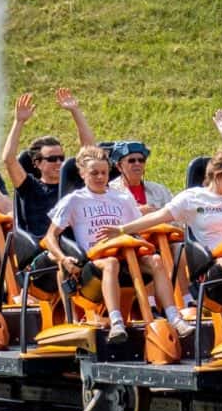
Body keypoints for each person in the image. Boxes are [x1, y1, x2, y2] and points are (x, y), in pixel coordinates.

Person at [123, 138, 222, 332]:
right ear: (218, 174)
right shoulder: (192, 197)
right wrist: (122, 229)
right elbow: (160, 216)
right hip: (213, 262)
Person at [45, 143, 147, 352]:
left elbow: (137, 229)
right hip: (94, 260)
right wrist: (63, 258)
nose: (100, 177)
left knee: (155, 260)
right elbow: (50, 237)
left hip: (125, 254)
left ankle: (171, 314)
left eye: (104, 173)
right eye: (94, 173)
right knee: (110, 263)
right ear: (82, 174)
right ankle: (117, 321)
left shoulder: (122, 197)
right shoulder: (74, 200)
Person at [0, 89, 89, 238]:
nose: (59, 163)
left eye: (61, 158)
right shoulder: (29, 186)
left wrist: (75, 111)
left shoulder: (72, 183)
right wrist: (18, 121)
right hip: (43, 248)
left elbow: (89, 150)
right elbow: (8, 159)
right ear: (37, 163)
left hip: (76, 244)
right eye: (52, 159)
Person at [109, 139, 170, 212]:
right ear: (119, 166)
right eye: (131, 160)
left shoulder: (160, 190)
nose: (137, 163)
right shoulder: (109, 191)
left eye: (141, 160)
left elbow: (176, 219)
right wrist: (137, 212)